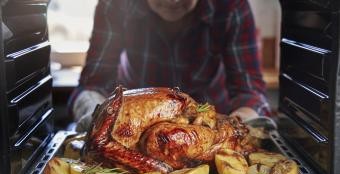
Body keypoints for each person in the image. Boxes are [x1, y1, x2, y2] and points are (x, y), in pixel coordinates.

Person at [70, 0, 271, 132]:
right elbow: (93, 84)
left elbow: (249, 90)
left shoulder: (231, 5)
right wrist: (97, 117)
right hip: (131, 123)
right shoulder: (115, 4)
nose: (172, 0)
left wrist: (241, 125)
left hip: (211, 124)